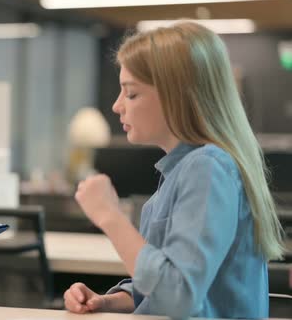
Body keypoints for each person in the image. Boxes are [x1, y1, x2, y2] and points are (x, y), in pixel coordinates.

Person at [63, 21, 285, 318]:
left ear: (176, 96)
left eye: (131, 94)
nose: (117, 106)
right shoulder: (184, 169)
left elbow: (178, 296)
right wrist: (109, 301)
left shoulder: (207, 168)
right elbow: (166, 285)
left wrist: (109, 216)